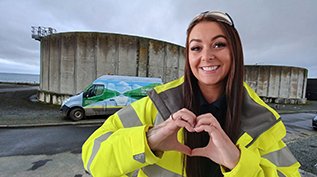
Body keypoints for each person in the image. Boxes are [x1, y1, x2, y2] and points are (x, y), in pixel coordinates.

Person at [82, 10, 301, 177]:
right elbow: (92, 157)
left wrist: (238, 162)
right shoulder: (157, 104)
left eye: (219, 44)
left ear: (235, 51)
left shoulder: (260, 119)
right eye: (196, 48)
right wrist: (148, 141)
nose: (206, 56)